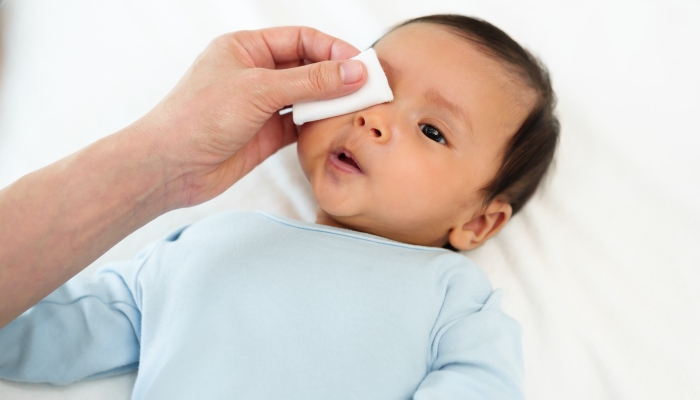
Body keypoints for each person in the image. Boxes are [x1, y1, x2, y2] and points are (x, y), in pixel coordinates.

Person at [0, 14, 559, 399]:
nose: (373, 119)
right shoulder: (210, 243)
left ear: (479, 221)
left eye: (432, 130)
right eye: (375, 89)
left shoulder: (456, 300)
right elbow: (43, 332)